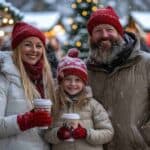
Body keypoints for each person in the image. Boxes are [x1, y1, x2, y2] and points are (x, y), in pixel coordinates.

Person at [86, 6, 150, 150]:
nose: (104, 35)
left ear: (119, 33)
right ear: (91, 37)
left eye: (109, 29)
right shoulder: (86, 70)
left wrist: (144, 137)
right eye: (97, 31)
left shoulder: (146, 63)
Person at [0, 21, 56, 150]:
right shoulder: (4, 76)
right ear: (17, 48)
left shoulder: (45, 78)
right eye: (28, 44)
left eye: (38, 45)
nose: (34, 50)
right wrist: (27, 120)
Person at [44, 48, 114, 150]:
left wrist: (86, 133)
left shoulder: (93, 105)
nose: (73, 84)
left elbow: (108, 133)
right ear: (61, 82)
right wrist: (57, 134)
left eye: (78, 80)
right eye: (68, 79)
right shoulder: (54, 105)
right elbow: (46, 134)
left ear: (84, 83)